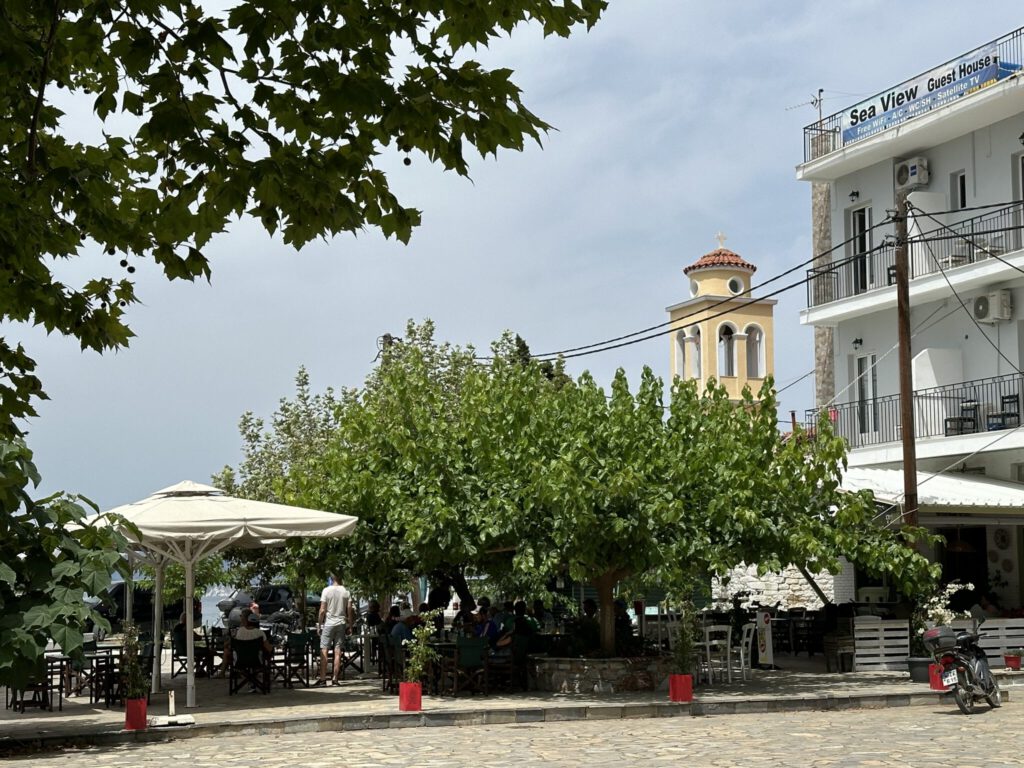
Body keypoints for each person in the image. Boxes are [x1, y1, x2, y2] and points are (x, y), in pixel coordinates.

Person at [315, 571, 354, 687]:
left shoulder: (326, 591)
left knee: (324, 650)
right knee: (338, 652)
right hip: (341, 623)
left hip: (329, 623)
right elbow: (350, 610)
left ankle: (322, 679)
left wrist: (319, 624)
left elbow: (322, 610)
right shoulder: (346, 591)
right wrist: (350, 625)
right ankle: (335, 679)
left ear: (331, 579)